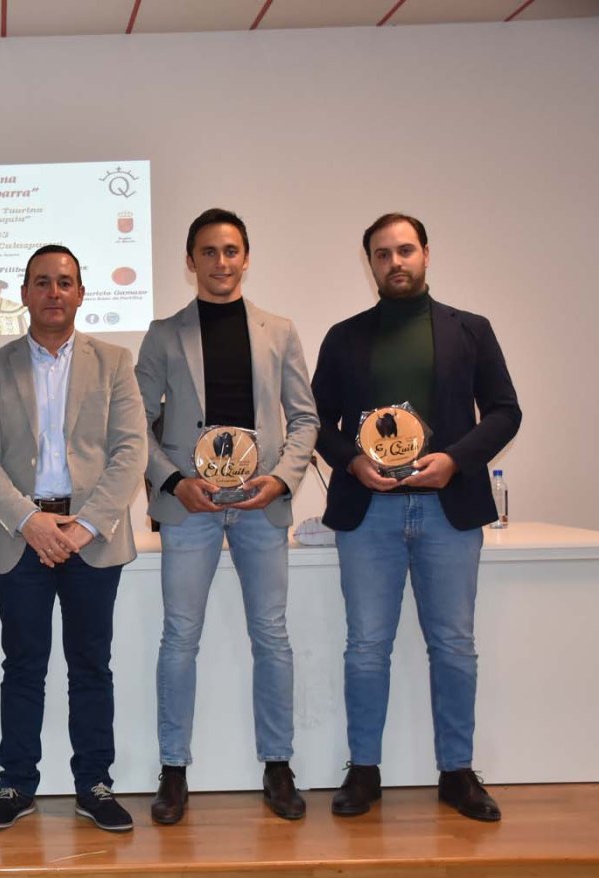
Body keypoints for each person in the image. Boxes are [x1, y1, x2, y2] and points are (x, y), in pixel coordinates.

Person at [311, 213, 521, 822]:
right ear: (370, 264)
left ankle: (457, 772)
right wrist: (352, 462)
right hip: (368, 514)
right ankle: (364, 771)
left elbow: (505, 412)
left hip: (449, 512)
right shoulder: (343, 337)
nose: (395, 262)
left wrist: (455, 460)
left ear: (426, 253)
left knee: (453, 646)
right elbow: (315, 420)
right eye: (382, 254)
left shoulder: (471, 330)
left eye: (405, 250)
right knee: (365, 647)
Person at [136, 209, 318, 825]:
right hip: (191, 507)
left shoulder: (279, 331)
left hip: (261, 504)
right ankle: (173, 769)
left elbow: (305, 418)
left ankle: (278, 764)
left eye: (231, 250)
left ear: (246, 257)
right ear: (190, 261)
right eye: (209, 252)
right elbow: (135, 423)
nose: (221, 262)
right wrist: (174, 482)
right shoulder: (164, 334)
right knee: (180, 637)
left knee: (272, 636)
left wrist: (282, 479)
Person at [0, 245, 146, 833]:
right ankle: (16, 784)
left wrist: (85, 526)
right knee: (23, 666)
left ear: (81, 293)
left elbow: (130, 450)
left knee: (91, 665)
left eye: (65, 282)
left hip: (93, 537)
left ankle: (94, 784)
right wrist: (30, 521)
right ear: (24, 293)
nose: (53, 292)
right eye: (41, 282)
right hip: (21, 537)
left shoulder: (114, 361)